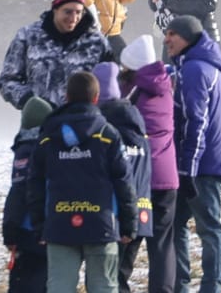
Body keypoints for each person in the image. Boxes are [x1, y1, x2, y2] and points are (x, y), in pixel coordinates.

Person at [26, 71, 137, 293]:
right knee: (104, 287)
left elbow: (34, 183)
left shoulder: (48, 135)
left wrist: (40, 225)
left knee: (59, 287)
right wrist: (129, 224)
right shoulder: (108, 134)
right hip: (102, 226)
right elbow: (124, 182)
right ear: (96, 98)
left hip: (59, 226)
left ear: (66, 96)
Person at [166, 15, 221, 293]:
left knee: (207, 226)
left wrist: (187, 169)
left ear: (189, 37)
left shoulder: (195, 69)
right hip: (195, 163)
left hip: (201, 165)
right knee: (176, 224)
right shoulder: (195, 65)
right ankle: (182, 283)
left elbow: (197, 121)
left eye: (173, 34)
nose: (166, 38)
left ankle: (210, 285)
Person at [120, 35, 178, 293]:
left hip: (139, 177)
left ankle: (118, 286)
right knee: (163, 244)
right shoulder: (165, 87)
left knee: (128, 239)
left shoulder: (131, 92)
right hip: (167, 177)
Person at [0, 0, 112, 110]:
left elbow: (112, 81)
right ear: (55, 10)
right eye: (68, 12)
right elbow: (7, 80)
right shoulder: (27, 36)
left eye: (78, 12)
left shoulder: (97, 42)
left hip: (84, 122)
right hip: (41, 123)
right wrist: (29, 101)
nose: (73, 18)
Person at [93, 64, 153, 292]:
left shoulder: (105, 130)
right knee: (121, 277)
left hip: (116, 217)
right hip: (142, 213)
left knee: (107, 279)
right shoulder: (138, 125)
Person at [2, 97, 56, 293]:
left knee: (24, 283)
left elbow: (18, 193)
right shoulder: (54, 145)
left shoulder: (26, 150)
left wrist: (10, 231)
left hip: (28, 231)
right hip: (54, 226)